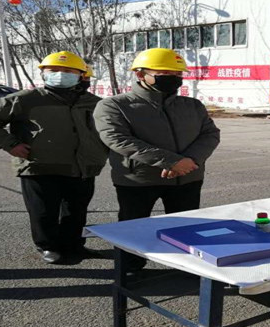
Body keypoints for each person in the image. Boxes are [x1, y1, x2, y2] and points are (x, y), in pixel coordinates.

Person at [93, 48, 220, 272]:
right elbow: (117, 139)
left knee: (185, 227)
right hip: (138, 180)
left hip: (188, 177)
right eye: (164, 73)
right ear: (140, 74)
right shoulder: (115, 105)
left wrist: (190, 160)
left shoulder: (192, 105)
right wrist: (170, 161)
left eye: (177, 73)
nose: (173, 78)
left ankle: (187, 266)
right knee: (133, 227)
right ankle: (130, 268)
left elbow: (210, 134)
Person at [0, 51, 108, 264]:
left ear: (81, 75)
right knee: (43, 212)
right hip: (39, 166)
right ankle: (48, 246)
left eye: (67, 70)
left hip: (83, 166)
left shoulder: (95, 103)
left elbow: (111, 130)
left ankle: (73, 245)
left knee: (76, 211)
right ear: (43, 74)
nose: (60, 74)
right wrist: (11, 144)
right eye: (53, 70)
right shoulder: (25, 99)